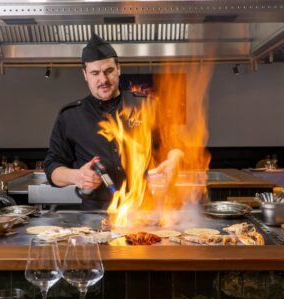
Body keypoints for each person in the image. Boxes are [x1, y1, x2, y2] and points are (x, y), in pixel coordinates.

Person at [44, 33, 183, 210]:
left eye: (108, 71)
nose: (103, 80)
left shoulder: (146, 105)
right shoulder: (70, 116)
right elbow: (52, 168)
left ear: (118, 68)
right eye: (95, 73)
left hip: (145, 209)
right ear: (85, 74)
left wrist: (173, 161)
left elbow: (174, 147)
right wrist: (76, 176)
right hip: (96, 215)